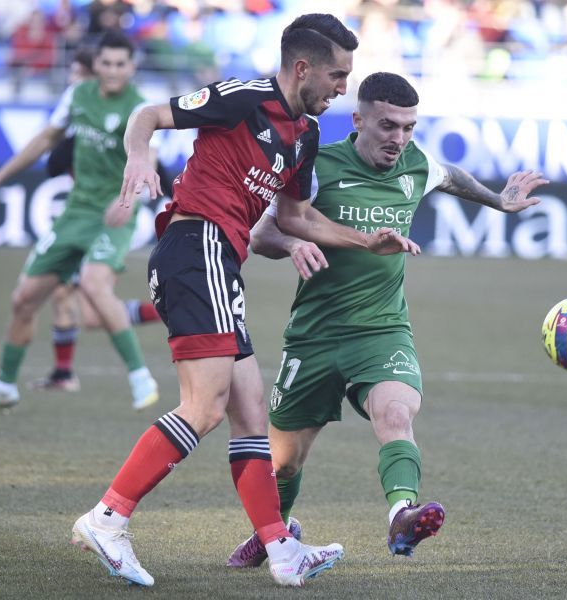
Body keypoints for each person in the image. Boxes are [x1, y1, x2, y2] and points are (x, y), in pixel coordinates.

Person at [70, 14, 419, 588]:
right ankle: (108, 517)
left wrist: (366, 240)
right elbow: (149, 116)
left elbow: (294, 218)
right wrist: (139, 156)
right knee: (204, 407)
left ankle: (281, 550)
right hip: (195, 242)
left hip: (222, 261)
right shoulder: (245, 97)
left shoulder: (304, 136)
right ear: (302, 67)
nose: (341, 87)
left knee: (251, 412)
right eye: (336, 76)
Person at [226, 72, 547, 566]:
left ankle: (402, 514)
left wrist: (497, 201)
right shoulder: (316, 166)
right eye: (387, 126)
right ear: (358, 121)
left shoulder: (415, 165)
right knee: (285, 461)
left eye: (408, 128)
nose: (398, 139)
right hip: (313, 337)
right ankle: (272, 535)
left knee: (396, 416)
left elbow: (450, 175)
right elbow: (263, 234)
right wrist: (294, 243)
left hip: (382, 331)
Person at [0, 31, 160, 415]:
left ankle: (140, 377)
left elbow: (147, 161)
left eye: (121, 64)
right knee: (23, 300)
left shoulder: (142, 109)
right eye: (107, 63)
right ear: (96, 64)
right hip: (75, 213)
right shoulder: (77, 97)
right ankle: (4, 387)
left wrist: (128, 202)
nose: (113, 71)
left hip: (113, 214)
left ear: (131, 67)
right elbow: (46, 139)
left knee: (97, 286)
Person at [29, 47, 163, 393]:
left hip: (110, 217)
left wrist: (132, 195)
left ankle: (70, 372)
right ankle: (64, 372)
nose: (73, 80)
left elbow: (155, 163)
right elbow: (54, 163)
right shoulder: (79, 120)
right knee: (87, 313)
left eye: (78, 73)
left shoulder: (128, 118)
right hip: (84, 214)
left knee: (82, 302)